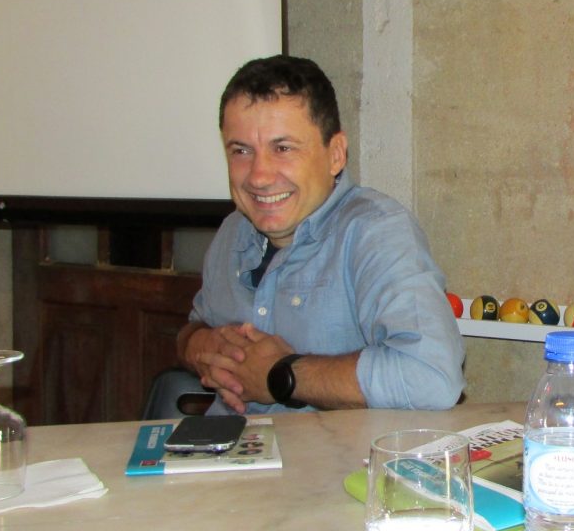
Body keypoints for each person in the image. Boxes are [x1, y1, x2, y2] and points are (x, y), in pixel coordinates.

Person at [177, 55, 464, 414]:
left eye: (283, 148)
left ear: (336, 155)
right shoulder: (231, 231)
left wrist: (283, 375)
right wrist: (202, 346)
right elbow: (195, 326)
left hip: (329, 453)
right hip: (227, 446)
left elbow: (433, 378)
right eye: (241, 151)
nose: (259, 176)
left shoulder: (376, 232)